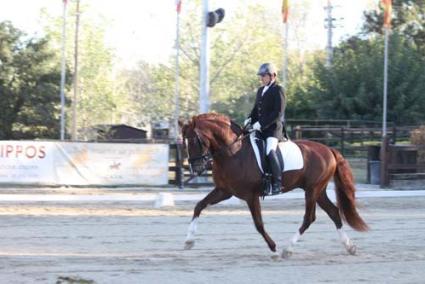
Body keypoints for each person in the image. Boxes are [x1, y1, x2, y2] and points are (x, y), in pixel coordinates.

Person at [244, 63, 286, 195]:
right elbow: (257, 109)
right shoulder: (260, 90)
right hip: (260, 129)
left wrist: (261, 124)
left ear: (272, 75)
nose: (261, 78)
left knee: (269, 150)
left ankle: (278, 183)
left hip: (273, 129)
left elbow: (278, 112)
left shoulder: (278, 90)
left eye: (263, 76)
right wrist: (250, 118)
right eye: (261, 76)